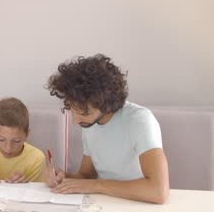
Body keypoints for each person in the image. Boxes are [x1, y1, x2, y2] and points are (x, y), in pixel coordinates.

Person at [45, 54, 169, 204]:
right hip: (104, 202)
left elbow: (158, 191)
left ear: (106, 105)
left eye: (84, 113)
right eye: (72, 110)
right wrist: (63, 176)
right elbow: (86, 176)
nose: (75, 121)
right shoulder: (89, 122)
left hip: (138, 204)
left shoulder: (139, 120)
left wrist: (95, 185)